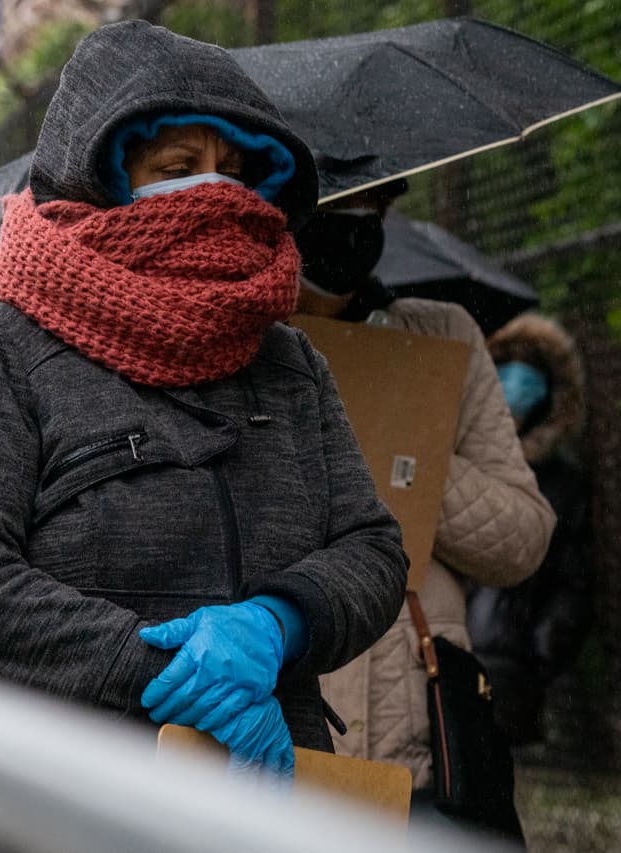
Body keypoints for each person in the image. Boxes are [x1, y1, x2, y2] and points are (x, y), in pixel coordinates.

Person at [0, 20, 408, 776]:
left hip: (263, 788)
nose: (213, 188)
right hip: (57, 790)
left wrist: (277, 621)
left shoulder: (288, 360)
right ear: (102, 174)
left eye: (232, 168)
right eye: (178, 164)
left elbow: (372, 549)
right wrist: (171, 675)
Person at [296, 187, 556, 841]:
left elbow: (522, 539)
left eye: (376, 210)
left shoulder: (440, 334)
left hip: (416, 744)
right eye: (339, 205)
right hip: (270, 741)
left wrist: (404, 436)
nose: (357, 225)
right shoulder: (229, 342)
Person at [468, 313, 593, 746]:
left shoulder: (563, 484)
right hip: (441, 652)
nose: (516, 383)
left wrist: (541, 652)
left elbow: (573, 581)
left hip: (513, 666)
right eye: (507, 367)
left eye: (531, 373)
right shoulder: (461, 461)